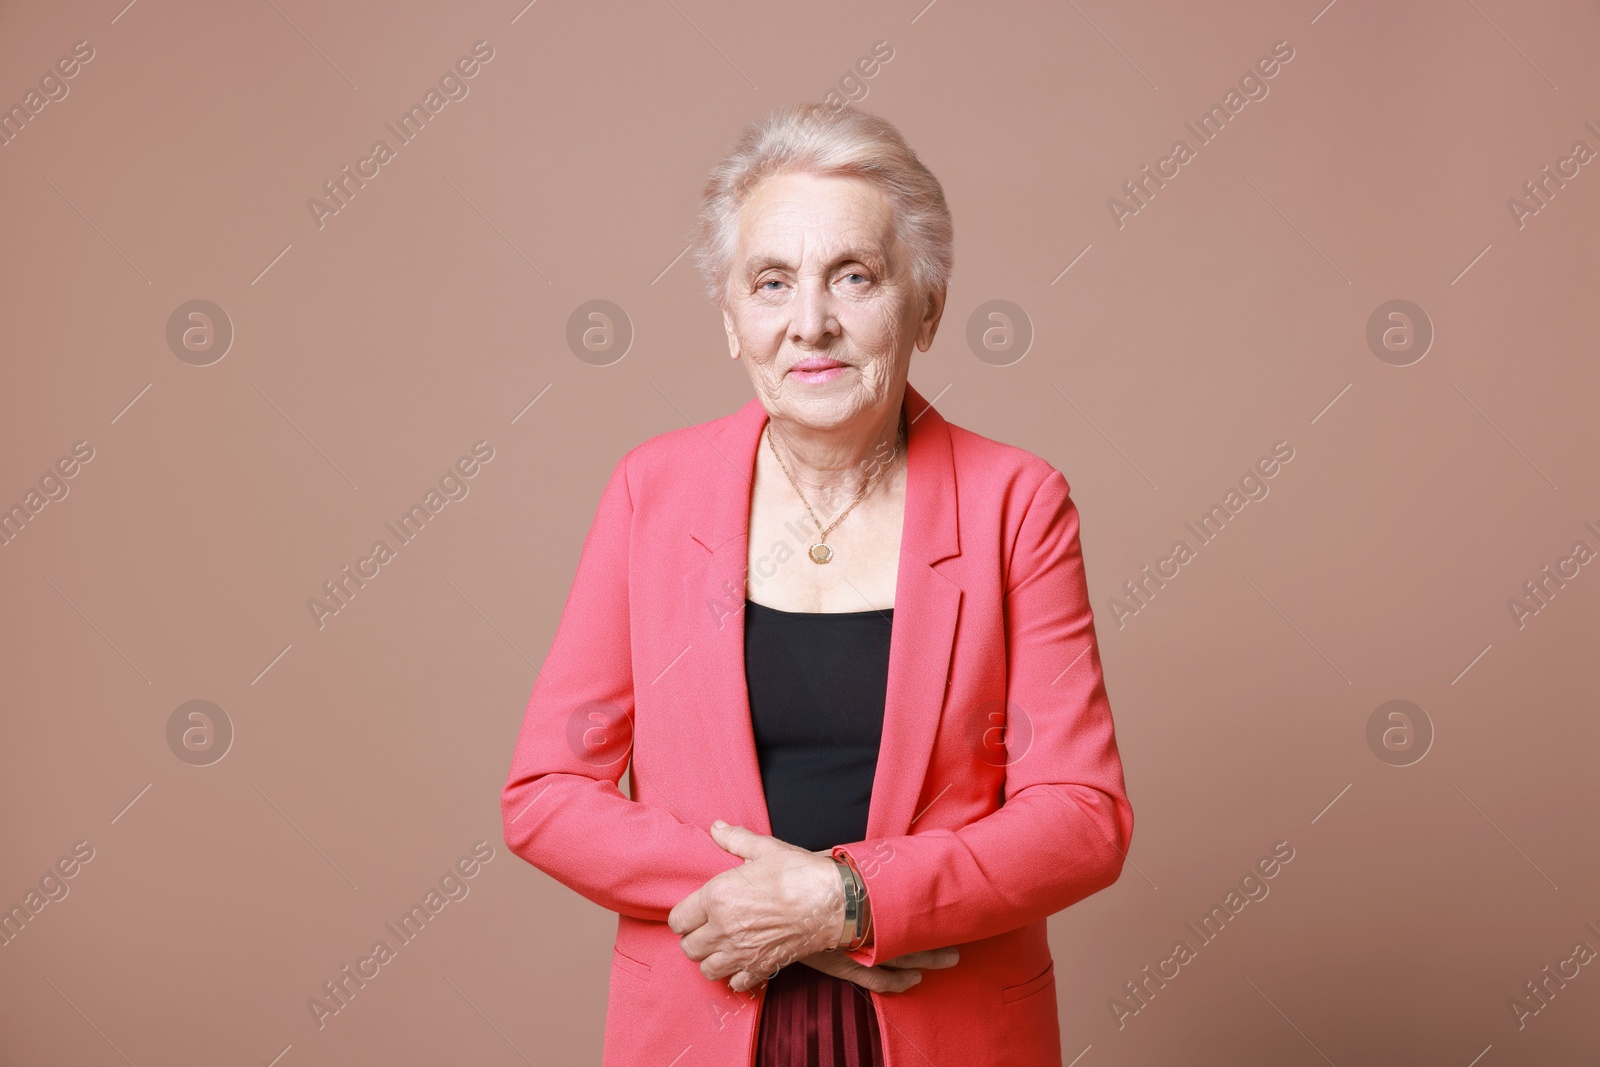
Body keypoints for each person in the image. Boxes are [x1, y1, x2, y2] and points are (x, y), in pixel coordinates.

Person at [501, 101, 1134, 1067]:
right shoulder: (650, 493)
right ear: (730, 317)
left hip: (947, 1024)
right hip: (701, 1011)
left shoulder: (1017, 501)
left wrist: (850, 901)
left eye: (854, 276)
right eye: (771, 281)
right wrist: (774, 903)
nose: (811, 324)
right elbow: (547, 792)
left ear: (926, 305)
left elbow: (1082, 816)